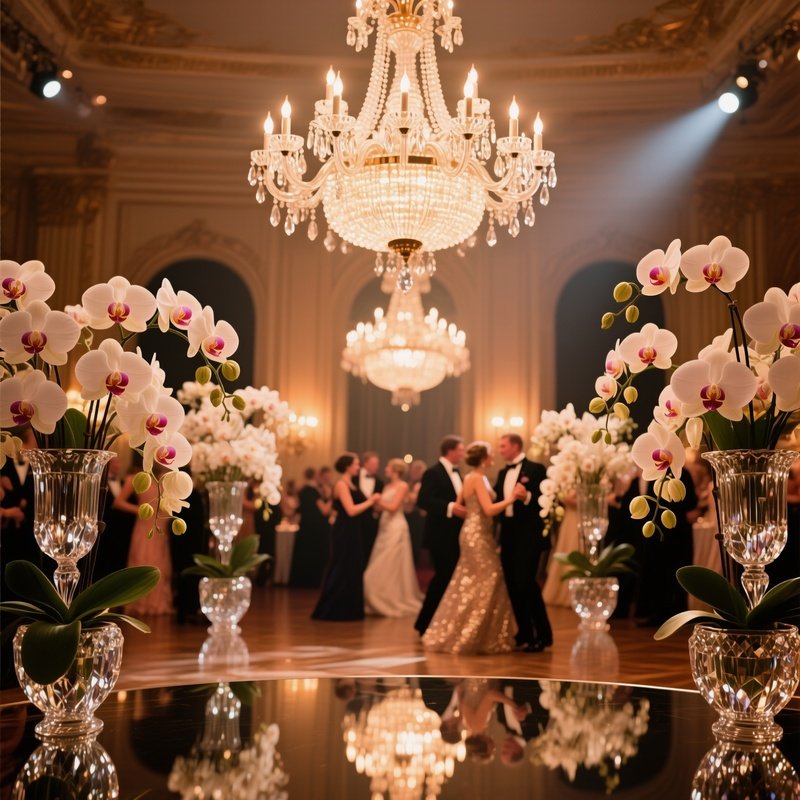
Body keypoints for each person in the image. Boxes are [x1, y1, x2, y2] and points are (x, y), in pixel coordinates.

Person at [422, 441, 525, 654]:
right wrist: (511, 499)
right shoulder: (477, 478)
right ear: (483, 458)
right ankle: (472, 635)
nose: (493, 457)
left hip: (473, 532)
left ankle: (472, 633)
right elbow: (488, 509)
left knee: (468, 581)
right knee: (488, 579)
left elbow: (461, 502)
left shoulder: (469, 478)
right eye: (490, 454)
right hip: (477, 535)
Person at [494, 433, 552, 652]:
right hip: (508, 533)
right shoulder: (501, 473)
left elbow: (547, 498)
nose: (500, 450)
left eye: (503, 445)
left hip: (529, 534)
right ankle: (525, 632)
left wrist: (527, 496)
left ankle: (543, 635)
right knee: (512, 585)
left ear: (516, 446)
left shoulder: (537, 469)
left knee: (526, 583)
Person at [312, 453, 380, 621]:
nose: (358, 467)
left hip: (353, 530)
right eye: (356, 464)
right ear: (348, 466)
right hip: (344, 530)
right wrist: (371, 501)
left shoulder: (351, 483)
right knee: (343, 566)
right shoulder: (342, 484)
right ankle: (334, 610)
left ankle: (350, 609)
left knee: (353, 567)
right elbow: (351, 510)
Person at [414, 436, 466, 635]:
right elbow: (424, 500)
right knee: (443, 576)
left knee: (448, 577)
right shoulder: (432, 472)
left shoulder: (458, 473)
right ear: (450, 450)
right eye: (460, 450)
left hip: (454, 534)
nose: (462, 454)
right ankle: (424, 623)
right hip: (439, 535)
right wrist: (452, 507)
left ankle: (438, 621)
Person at [364, 459, 423, 617]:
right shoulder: (387, 486)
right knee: (382, 562)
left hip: (396, 527)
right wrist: (375, 505)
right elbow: (382, 507)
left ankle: (391, 599)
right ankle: (379, 598)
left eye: (388, 467)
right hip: (384, 526)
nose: (385, 469)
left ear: (396, 470)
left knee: (391, 563)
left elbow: (393, 507)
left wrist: (377, 500)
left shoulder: (403, 486)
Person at [121, 458, 174, 616]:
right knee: (142, 561)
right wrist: (140, 510)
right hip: (144, 528)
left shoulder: (168, 481)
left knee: (161, 566)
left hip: (161, 530)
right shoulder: (137, 478)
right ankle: (139, 603)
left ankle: (157, 604)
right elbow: (119, 502)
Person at [290, 467, 332, 587]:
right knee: (314, 554)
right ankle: (313, 580)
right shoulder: (312, 491)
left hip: (306, 527)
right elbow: (324, 510)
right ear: (315, 476)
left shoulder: (304, 490)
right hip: (315, 529)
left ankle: (303, 580)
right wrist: (334, 497)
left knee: (305, 552)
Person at [358, 451, 384, 567]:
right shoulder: (353, 478)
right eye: (374, 464)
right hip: (353, 520)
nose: (376, 467)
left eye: (377, 464)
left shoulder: (379, 482)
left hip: (370, 521)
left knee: (368, 549)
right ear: (365, 463)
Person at [404, 459, 427, 567]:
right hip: (408, 515)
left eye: (416, 471)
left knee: (416, 539)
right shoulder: (409, 484)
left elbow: (416, 499)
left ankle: (414, 562)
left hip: (419, 516)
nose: (413, 473)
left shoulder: (423, 484)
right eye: (413, 470)